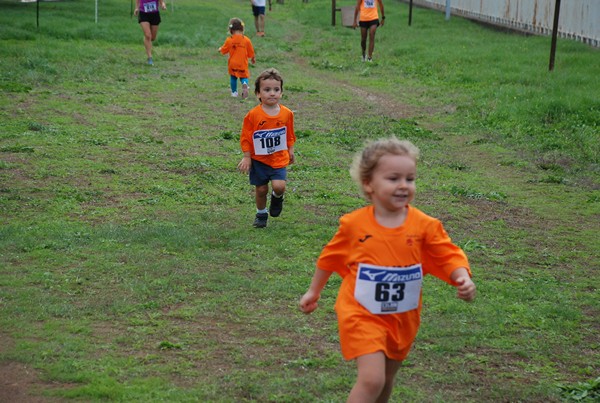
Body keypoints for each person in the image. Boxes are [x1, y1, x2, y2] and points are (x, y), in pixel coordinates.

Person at [299, 138, 476, 402]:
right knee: (372, 379)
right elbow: (329, 257)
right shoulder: (354, 225)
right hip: (361, 312)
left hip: (403, 316)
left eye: (410, 178)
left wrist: (461, 276)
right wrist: (314, 291)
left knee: (386, 381)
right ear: (369, 183)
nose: (404, 185)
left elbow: (447, 253)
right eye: (393, 178)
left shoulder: (425, 226)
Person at [237, 68, 296, 228]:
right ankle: (261, 213)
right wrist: (247, 156)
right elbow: (246, 137)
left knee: (279, 186)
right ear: (258, 93)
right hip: (259, 160)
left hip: (278, 158)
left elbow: (289, 133)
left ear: (281, 93)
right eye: (267, 90)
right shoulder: (253, 115)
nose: (272, 93)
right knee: (261, 189)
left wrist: (290, 149)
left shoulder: (287, 114)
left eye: (276, 90)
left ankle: (278, 198)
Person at [219, 18, 256, 99]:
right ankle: (245, 84)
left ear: (231, 30)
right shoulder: (246, 40)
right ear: (242, 29)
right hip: (242, 63)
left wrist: (220, 49)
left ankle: (234, 92)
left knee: (233, 77)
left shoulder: (230, 40)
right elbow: (251, 51)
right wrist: (253, 58)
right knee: (244, 77)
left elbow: (224, 50)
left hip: (233, 63)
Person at [134, 0, 167, 66]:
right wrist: (137, 8)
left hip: (154, 14)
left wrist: (163, 4)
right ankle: (150, 58)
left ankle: (147, 40)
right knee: (148, 35)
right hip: (143, 13)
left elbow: (161, 1)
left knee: (152, 38)